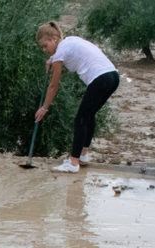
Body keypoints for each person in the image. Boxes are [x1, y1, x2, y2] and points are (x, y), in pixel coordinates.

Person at [35, 22, 119, 173]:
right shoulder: (69, 41)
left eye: (45, 45)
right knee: (88, 115)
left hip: (100, 78)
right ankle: (83, 155)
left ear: (54, 39)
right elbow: (64, 54)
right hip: (113, 76)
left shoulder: (60, 51)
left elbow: (54, 85)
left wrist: (44, 107)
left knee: (80, 119)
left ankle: (73, 163)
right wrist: (52, 59)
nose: (45, 50)